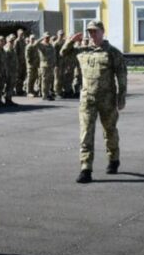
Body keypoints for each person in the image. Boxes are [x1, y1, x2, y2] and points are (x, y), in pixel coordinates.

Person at [60, 21, 127, 184]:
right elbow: (63, 54)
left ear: (103, 32)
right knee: (85, 134)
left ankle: (113, 159)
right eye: (90, 32)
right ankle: (86, 168)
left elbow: (121, 75)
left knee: (109, 131)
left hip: (107, 99)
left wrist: (121, 97)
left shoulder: (112, 53)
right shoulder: (83, 51)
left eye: (95, 32)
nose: (92, 35)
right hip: (87, 99)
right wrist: (70, 41)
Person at [37, 32, 57, 101]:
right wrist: (41, 38)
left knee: (49, 80)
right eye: (46, 37)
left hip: (50, 65)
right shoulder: (42, 45)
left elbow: (53, 55)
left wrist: (54, 63)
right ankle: (44, 95)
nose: (47, 39)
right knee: (44, 80)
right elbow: (35, 44)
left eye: (48, 37)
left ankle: (48, 93)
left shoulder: (50, 45)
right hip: (44, 65)